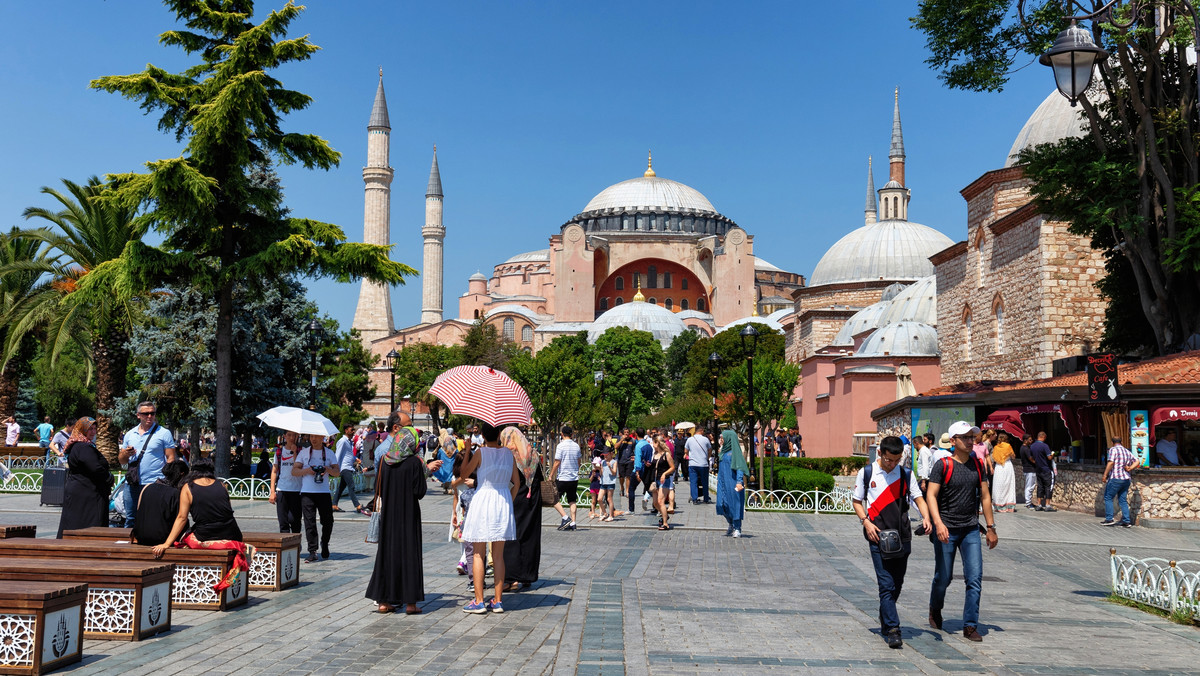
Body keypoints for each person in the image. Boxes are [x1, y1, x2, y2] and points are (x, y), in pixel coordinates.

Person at [852, 436, 932, 649]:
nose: (892, 464)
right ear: (880, 453)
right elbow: (857, 501)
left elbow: (917, 498)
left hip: (902, 535)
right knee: (886, 584)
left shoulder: (906, 474)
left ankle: (885, 613)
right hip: (877, 535)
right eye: (889, 460)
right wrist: (866, 522)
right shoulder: (867, 473)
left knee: (897, 584)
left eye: (896, 460)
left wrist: (926, 516)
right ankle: (893, 629)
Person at [925, 421, 999, 643]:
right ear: (953, 441)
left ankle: (970, 625)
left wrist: (991, 527)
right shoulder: (943, 465)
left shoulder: (977, 465)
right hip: (946, 530)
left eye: (972, 437)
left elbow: (985, 496)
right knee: (944, 577)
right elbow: (931, 495)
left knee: (974, 577)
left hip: (970, 530)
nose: (970, 441)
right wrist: (938, 524)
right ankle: (935, 608)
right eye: (965, 437)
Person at [366, 410, 435, 614]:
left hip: (389, 516)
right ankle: (411, 604)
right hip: (408, 515)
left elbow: (381, 490)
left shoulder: (386, 462)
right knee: (409, 555)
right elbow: (420, 492)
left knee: (387, 555)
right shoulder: (414, 463)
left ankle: (384, 601)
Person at [151, 460, 251, 592]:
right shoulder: (221, 485)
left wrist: (166, 543)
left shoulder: (188, 487)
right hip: (233, 533)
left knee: (185, 539)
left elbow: (182, 517)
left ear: (193, 471)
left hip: (206, 534)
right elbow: (227, 512)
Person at [458, 422, 519, 614]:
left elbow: (463, 474)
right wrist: (509, 500)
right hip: (502, 501)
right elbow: (516, 483)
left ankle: (478, 601)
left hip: (483, 499)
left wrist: (467, 450)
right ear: (499, 434)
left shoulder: (481, 453)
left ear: (483, 435)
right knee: (498, 555)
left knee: (478, 552)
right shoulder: (508, 454)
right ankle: (498, 601)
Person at [119, 401, 177, 531]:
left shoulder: (163, 433)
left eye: (152, 413)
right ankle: (129, 547)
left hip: (154, 483)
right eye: (146, 414)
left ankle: (152, 544)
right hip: (133, 483)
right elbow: (122, 461)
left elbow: (171, 458)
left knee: (154, 517)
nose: (149, 416)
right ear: (138, 415)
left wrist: (168, 480)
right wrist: (125, 454)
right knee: (131, 518)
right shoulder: (130, 434)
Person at [56, 417, 112, 538]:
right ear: (82, 429)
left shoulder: (77, 445)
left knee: (74, 524)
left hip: (80, 492)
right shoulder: (83, 447)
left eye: (94, 429)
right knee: (87, 527)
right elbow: (95, 468)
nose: (93, 432)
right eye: (89, 429)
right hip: (87, 494)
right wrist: (109, 477)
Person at [294, 433, 341, 562]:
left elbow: (337, 472)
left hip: (324, 492)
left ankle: (324, 542)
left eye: (316, 436)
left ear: (322, 438)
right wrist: (307, 471)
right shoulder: (304, 453)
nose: (313, 439)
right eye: (311, 436)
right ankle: (312, 550)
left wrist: (327, 469)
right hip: (307, 492)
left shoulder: (329, 453)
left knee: (328, 521)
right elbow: (295, 471)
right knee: (309, 522)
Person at [132, 460, 190, 546]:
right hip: (163, 539)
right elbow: (181, 518)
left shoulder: (147, 487)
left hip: (141, 536)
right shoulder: (177, 493)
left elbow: (139, 511)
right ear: (182, 474)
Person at [269, 431, 304, 534]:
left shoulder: (301, 451)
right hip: (282, 489)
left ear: (298, 436)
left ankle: (295, 545)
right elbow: (274, 471)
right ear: (284, 436)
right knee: (283, 522)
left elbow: (299, 468)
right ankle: (285, 547)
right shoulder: (279, 452)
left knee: (294, 521)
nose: (292, 438)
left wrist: (294, 453)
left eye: (294, 435)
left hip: (296, 490)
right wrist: (272, 491)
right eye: (289, 435)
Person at [715, 430, 749, 537]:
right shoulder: (723, 452)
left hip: (733, 482)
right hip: (723, 483)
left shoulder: (735, 453)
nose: (721, 440)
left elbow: (739, 468)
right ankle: (731, 523)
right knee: (722, 504)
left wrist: (739, 481)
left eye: (722, 438)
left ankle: (737, 527)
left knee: (735, 505)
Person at [1101, 434, 1139, 528]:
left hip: (1116, 478)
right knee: (1122, 500)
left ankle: (1109, 519)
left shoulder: (1113, 450)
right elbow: (1137, 461)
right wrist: (1130, 468)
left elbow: (1111, 463)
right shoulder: (1126, 451)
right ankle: (1126, 521)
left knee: (1108, 497)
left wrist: (1105, 475)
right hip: (1126, 479)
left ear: (1112, 442)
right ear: (1121, 442)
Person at [551, 425, 582, 531]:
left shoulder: (560, 446)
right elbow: (579, 462)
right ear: (572, 434)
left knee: (553, 498)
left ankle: (565, 517)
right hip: (573, 478)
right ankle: (573, 522)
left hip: (563, 477)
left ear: (562, 434)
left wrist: (551, 475)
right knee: (572, 500)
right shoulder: (576, 446)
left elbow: (557, 462)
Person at [332, 423, 367, 514]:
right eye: (351, 430)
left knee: (341, 488)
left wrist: (355, 458)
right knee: (351, 486)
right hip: (345, 467)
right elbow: (338, 455)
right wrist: (336, 468)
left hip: (348, 466)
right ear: (346, 430)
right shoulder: (342, 441)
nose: (353, 432)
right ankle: (357, 505)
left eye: (353, 430)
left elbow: (348, 454)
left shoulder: (349, 441)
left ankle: (334, 504)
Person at [649, 434, 677, 530]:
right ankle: (664, 515)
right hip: (656, 480)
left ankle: (665, 523)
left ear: (658, 443)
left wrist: (664, 474)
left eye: (654, 442)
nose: (652, 444)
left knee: (661, 501)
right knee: (655, 503)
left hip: (664, 480)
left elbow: (673, 467)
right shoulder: (655, 454)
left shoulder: (666, 454)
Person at [990, 432, 1017, 513]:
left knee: (998, 486)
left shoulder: (996, 447)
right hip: (1007, 466)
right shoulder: (1008, 446)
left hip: (999, 467)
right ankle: (1009, 506)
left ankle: (999, 506)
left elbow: (994, 458)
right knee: (1009, 485)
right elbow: (1013, 456)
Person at [1029, 431, 1056, 512]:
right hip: (1046, 469)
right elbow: (1049, 458)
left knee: (1040, 487)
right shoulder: (1045, 446)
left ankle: (1039, 504)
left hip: (1038, 469)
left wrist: (1036, 462)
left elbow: (1031, 457)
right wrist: (1053, 454)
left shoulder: (1032, 446)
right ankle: (1047, 505)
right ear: (1043, 437)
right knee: (1048, 486)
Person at [686, 427, 712, 505]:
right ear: (701, 431)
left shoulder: (689, 439)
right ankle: (706, 498)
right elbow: (710, 450)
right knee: (704, 482)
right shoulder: (705, 439)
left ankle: (694, 498)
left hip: (693, 464)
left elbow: (685, 450)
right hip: (703, 464)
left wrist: (691, 456)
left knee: (693, 482)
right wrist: (707, 457)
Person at [1019, 434, 1037, 509]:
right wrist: (1037, 462)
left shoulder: (1023, 448)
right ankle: (1028, 503)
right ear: (1025, 440)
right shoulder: (1026, 449)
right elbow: (1030, 458)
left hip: (1027, 469)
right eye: (1030, 440)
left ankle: (1028, 502)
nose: (1031, 441)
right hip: (1029, 469)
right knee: (1030, 486)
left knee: (1030, 486)